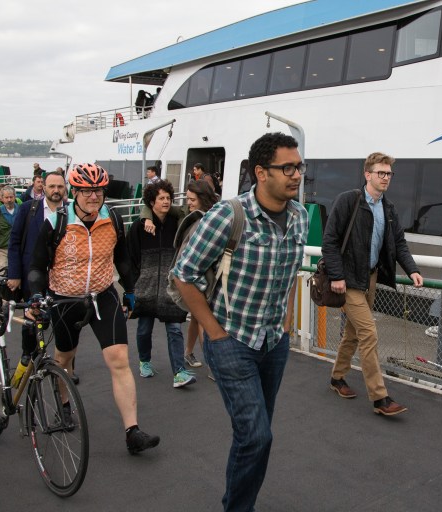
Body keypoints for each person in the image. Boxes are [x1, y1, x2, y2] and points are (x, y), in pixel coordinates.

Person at [172, 132, 309, 511]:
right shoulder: (229, 215)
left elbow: (291, 272)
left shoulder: (299, 216)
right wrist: (214, 333)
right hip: (232, 341)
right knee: (256, 436)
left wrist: (285, 323)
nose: (296, 175)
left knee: (256, 435)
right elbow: (184, 274)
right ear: (261, 172)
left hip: (273, 343)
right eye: (288, 168)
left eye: (299, 166)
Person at [28, 163, 159, 455]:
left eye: (98, 191)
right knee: (64, 358)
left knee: (119, 359)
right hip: (65, 299)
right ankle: (64, 406)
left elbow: (122, 258)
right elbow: (37, 264)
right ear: (74, 192)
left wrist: (131, 290)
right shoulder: (57, 222)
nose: (93, 197)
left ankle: (132, 431)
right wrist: (37, 296)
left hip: (102, 295)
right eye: (86, 191)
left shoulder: (112, 218)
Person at [323, 152, 423, 415]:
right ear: (367, 174)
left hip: (370, 278)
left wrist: (412, 269)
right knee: (369, 333)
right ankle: (380, 398)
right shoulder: (349, 201)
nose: (386, 178)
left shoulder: (388, 208)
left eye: (389, 174)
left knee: (353, 333)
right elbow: (330, 241)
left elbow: (399, 243)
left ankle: (337, 378)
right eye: (381, 173)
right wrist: (336, 276)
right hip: (348, 280)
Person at [127, 179, 195, 388]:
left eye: (168, 198)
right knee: (144, 328)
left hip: (170, 286)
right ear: (151, 202)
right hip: (146, 286)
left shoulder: (177, 223)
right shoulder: (140, 227)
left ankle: (179, 372)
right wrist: (134, 282)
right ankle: (145, 361)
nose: (166, 202)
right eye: (161, 198)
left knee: (174, 328)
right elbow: (129, 255)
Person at [7, 171, 72, 384]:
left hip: (62, 277)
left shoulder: (72, 212)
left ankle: (65, 368)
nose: (56, 191)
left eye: (60, 187)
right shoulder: (28, 210)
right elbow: (14, 242)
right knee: (31, 320)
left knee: (64, 324)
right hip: (32, 274)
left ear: (65, 189)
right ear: (43, 187)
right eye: (52, 186)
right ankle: (28, 358)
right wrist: (15, 274)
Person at [181, 179, 219, 369]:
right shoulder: (199, 218)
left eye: (192, 199)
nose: (188, 203)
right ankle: (213, 364)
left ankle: (188, 352)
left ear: (202, 199)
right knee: (205, 319)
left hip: (203, 276)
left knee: (198, 317)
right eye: (187, 199)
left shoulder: (207, 218)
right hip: (199, 278)